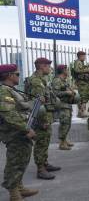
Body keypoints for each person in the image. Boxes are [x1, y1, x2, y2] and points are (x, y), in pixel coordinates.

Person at [0, 64, 39, 201]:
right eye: (17, 74)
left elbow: (21, 107)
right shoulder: (4, 91)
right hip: (14, 133)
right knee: (15, 162)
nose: (19, 76)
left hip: (20, 131)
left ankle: (19, 186)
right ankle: (13, 192)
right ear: (9, 75)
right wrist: (27, 129)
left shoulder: (11, 90)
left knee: (22, 160)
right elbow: (10, 115)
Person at [28, 58, 61, 180]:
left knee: (45, 141)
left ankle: (45, 163)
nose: (50, 68)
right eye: (48, 66)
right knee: (41, 143)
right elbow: (38, 104)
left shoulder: (43, 80)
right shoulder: (36, 82)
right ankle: (40, 169)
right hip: (41, 118)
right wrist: (43, 121)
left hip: (46, 115)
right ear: (41, 66)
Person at [52, 65, 75, 150]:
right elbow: (55, 93)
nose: (68, 71)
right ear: (63, 71)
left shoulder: (64, 81)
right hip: (62, 105)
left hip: (67, 105)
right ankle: (62, 143)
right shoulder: (57, 80)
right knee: (64, 124)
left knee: (67, 124)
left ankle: (64, 140)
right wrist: (67, 93)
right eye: (66, 69)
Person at [73, 51, 89, 118]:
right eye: (84, 56)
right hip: (82, 83)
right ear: (80, 56)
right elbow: (77, 70)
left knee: (85, 96)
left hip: (84, 82)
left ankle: (81, 111)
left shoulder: (81, 62)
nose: (85, 57)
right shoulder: (78, 62)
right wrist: (87, 70)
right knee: (83, 97)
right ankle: (82, 111)